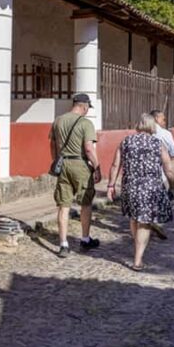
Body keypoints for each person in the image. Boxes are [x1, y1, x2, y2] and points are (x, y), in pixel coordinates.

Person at [107, 113, 174, 271]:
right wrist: (172, 187)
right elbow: (169, 170)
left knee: (134, 218)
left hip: (130, 187)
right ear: (152, 126)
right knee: (144, 222)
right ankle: (138, 260)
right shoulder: (158, 144)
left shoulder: (126, 142)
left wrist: (111, 185)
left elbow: (115, 165)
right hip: (151, 188)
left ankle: (138, 244)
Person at [49, 93, 102, 258]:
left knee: (63, 205)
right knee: (85, 203)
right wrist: (97, 167)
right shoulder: (86, 123)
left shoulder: (58, 120)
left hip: (63, 164)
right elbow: (88, 148)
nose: (87, 111)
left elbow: (52, 144)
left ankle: (63, 244)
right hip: (80, 165)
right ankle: (85, 239)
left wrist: (56, 160)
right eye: (87, 108)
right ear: (84, 106)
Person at [150, 109, 174, 240]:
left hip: (139, 174)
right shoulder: (164, 134)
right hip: (158, 173)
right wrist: (173, 186)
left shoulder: (139, 134)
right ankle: (153, 223)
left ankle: (145, 223)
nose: (164, 121)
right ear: (156, 118)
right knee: (157, 201)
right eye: (163, 119)